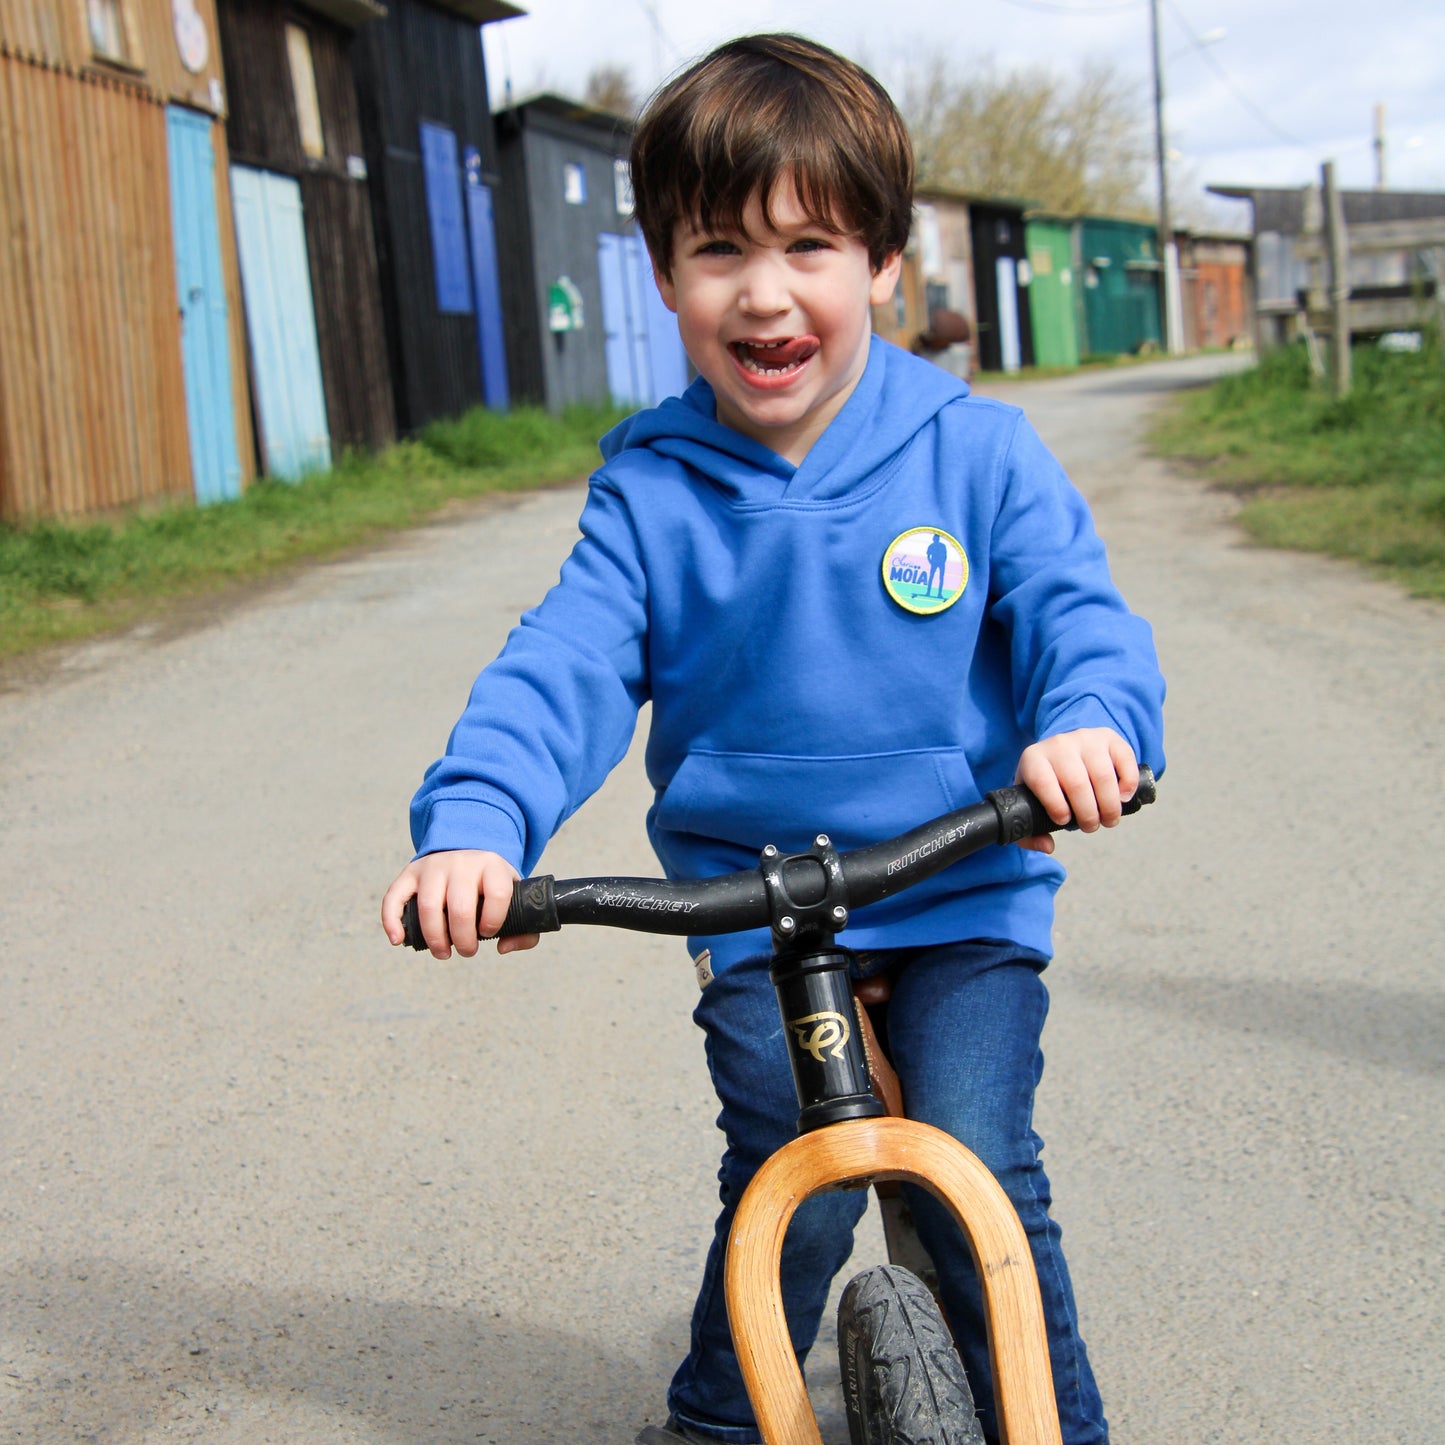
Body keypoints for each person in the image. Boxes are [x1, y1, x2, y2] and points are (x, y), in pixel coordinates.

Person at [381, 32, 1164, 1445]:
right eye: (716, 249)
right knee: (789, 1173)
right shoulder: (651, 494)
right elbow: (558, 664)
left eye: (810, 244)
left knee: (981, 1169)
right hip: (757, 909)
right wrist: (479, 825)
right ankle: (718, 1423)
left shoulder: (975, 452)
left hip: (958, 891)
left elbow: (1076, 615)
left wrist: (1087, 724)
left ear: (879, 262)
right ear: (663, 273)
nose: (764, 291)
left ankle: (1062, 1428)